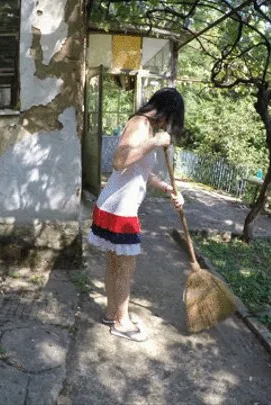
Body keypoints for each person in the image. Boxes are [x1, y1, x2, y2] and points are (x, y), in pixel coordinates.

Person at [87, 87, 185, 342]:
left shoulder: (144, 125)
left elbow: (138, 170)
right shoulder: (141, 125)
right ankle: (121, 322)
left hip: (113, 206)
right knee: (124, 269)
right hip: (120, 211)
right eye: (172, 118)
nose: (170, 125)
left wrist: (164, 186)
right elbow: (119, 161)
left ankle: (112, 313)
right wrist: (153, 142)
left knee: (115, 264)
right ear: (166, 112)